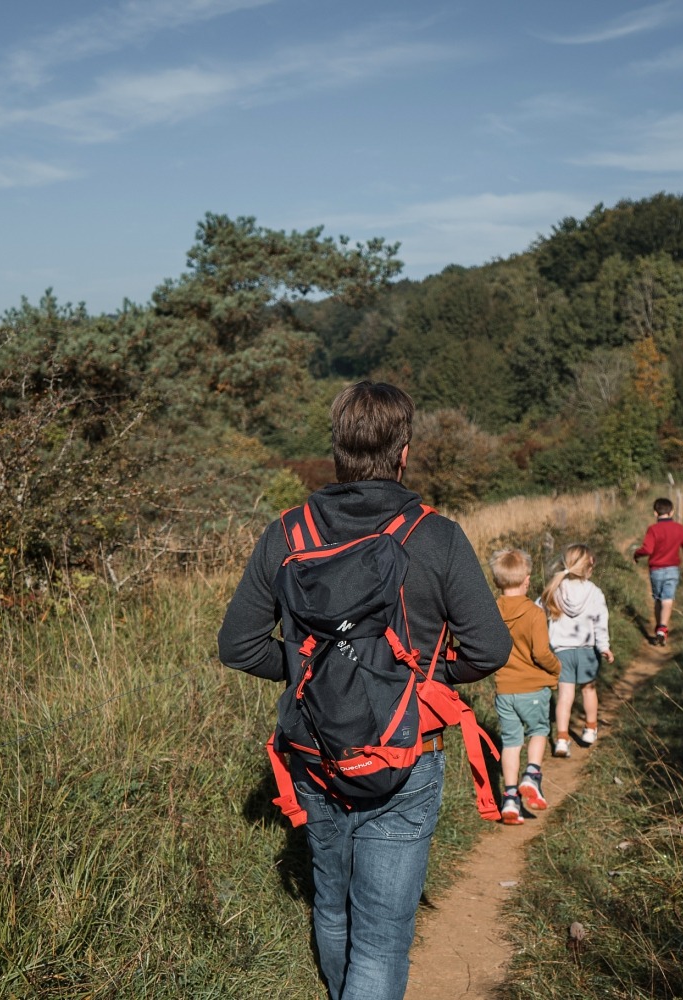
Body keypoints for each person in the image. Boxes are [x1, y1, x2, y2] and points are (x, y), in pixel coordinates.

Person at [217, 380, 511, 1000]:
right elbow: (488, 649)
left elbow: (238, 646)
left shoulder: (286, 534)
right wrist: (424, 679)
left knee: (332, 906)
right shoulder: (437, 537)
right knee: (380, 937)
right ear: (403, 452)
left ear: (337, 449)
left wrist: (306, 671)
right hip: (408, 755)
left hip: (315, 755)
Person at [488, 547, 562, 824]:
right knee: (540, 730)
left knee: (510, 743)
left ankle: (509, 799)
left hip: (504, 689)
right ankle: (531, 774)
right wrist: (557, 668)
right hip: (532, 687)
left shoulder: (491, 611)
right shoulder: (533, 613)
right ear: (527, 580)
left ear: (497, 581)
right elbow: (541, 653)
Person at [541, 544, 614, 757]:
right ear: (589, 568)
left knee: (565, 696)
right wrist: (604, 647)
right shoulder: (595, 593)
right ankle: (590, 728)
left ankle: (562, 739)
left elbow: (538, 611)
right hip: (587, 651)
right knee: (588, 690)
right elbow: (601, 622)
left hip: (561, 651)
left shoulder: (555, 588)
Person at [632, 496, 683, 646]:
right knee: (668, 598)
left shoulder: (653, 529)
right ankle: (663, 628)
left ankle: (659, 628)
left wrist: (636, 554)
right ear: (672, 511)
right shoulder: (679, 528)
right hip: (672, 569)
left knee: (658, 599)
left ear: (655, 513)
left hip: (656, 570)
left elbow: (647, 549)